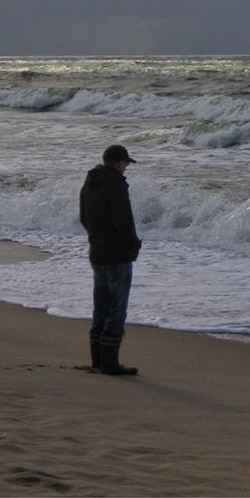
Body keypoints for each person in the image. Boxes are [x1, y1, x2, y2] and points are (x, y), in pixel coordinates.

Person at [79, 144, 143, 375]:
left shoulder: (89, 184)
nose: (126, 167)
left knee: (101, 307)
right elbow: (124, 221)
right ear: (118, 163)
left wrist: (96, 239)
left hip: (96, 251)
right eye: (126, 163)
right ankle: (110, 364)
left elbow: (83, 218)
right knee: (116, 310)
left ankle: (98, 360)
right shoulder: (116, 184)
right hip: (117, 255)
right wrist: (133, 246)